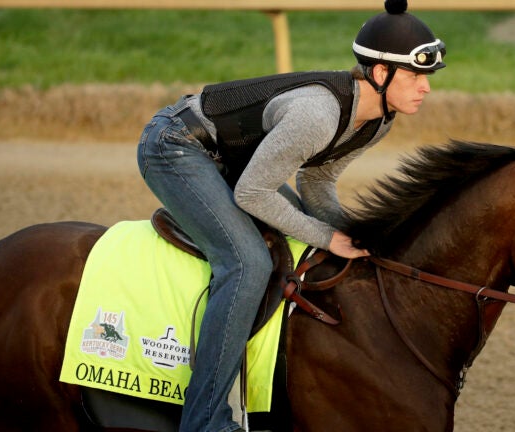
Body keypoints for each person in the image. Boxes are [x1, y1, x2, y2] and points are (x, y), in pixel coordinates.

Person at [136, 0, 445, 430]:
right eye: (415, 75)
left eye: (426, 77)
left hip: (229, 157)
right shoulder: (317, 116)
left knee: (306, 241)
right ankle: (204, 421)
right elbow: (254, 193)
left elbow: (316, 182)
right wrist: (327, 235)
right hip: (175, 146)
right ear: (380, 74)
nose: (426, 87)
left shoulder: (379, 118)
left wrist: (351, 234)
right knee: (247, 263)